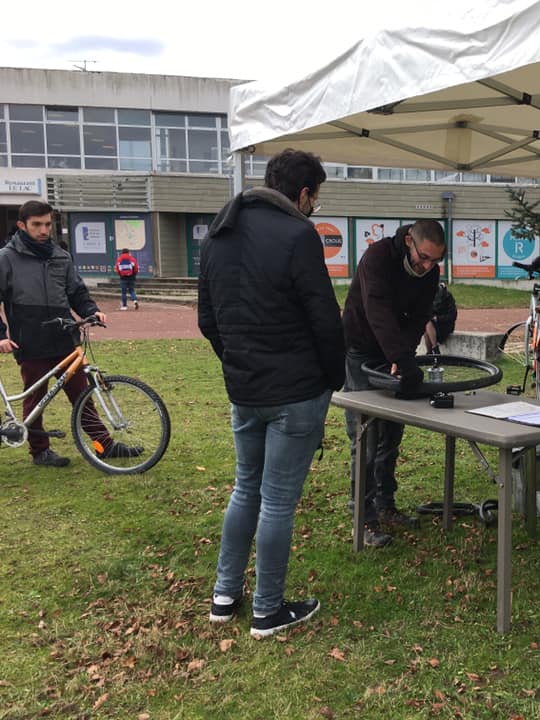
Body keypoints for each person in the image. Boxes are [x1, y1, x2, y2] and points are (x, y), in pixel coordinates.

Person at [198, 148, 345, 639]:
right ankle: (268, 608)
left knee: (246, 488)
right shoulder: (298, 234)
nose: (313, 208)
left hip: (246, 388)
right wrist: (332, 377)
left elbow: (207, 319)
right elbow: (324, 317)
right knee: (277, 501)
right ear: (303, 194)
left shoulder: (219, 231)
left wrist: (237, 360)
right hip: (295, 390)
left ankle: (224, 594)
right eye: (315, 200)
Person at [0, 200, 138, 467]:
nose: (43, 230)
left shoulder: (61, 256)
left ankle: (104, 445)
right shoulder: (6, 259)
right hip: (30, 339)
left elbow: (76, 292)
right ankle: (40, 451)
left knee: (82, 395)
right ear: (21, 225)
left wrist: (92, 310)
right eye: (37, 224)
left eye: (48, 224)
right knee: (35, 398)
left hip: (65, 337)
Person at [341, 219, 446, 548]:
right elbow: (378, 312)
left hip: (393, 354)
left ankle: (386, 504)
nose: (427, 266)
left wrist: (404, 358)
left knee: (391, 433)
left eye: (435, 261)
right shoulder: (377, 258)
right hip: (361, 350)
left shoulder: (430, 274)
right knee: (366, 436)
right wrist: (400, 353)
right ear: (409, 242)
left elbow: (418, 315)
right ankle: (364, 516)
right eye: (424, 257)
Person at [422, 281, 458, 354]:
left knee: (428, 324)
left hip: (446, 325)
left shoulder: (447, 296)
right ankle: (429, 353)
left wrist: (438, 318)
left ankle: (435, 350)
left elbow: (453, 315)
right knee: (426, 327)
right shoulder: (428, 297)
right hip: (433, 326)